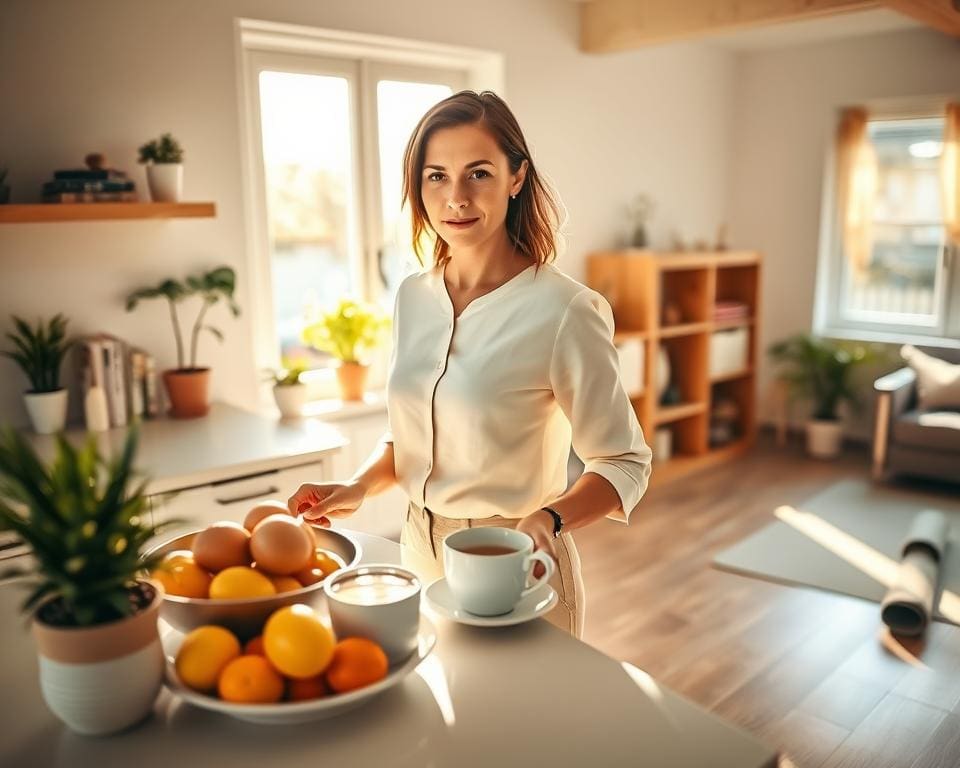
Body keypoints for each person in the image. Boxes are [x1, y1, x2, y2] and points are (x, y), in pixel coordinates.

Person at [288, 91, 652, 637]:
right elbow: (413, 433)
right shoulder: (413, 296)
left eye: (477, 173)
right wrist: (359, 487)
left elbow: (625, 461)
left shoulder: (565, 310)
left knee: (524, 724)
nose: (455, 197)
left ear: (517, 177)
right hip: (419, 551)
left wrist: (548, 521)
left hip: (515, 558)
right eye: (436, 176)